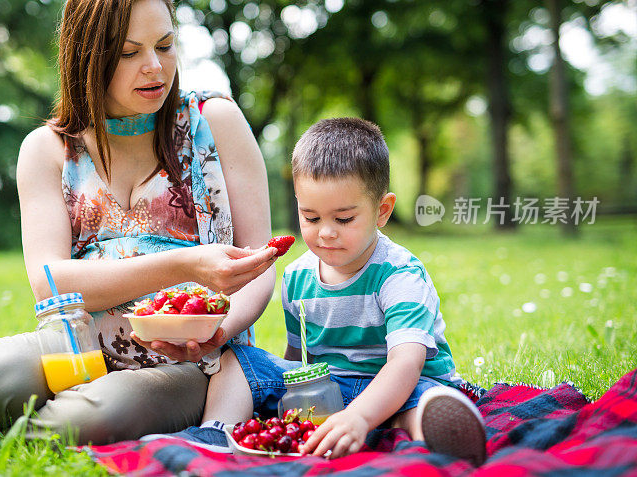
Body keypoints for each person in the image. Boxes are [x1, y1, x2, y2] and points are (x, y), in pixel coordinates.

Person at [0, 0, 278, 445]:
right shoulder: (47, 150)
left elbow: (259, 263)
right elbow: (50, 282)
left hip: (195, 358)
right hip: (77, 344)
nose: (155, 67)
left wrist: (214, 331)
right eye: (128, 52)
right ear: (88, 55)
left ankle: (20, 437)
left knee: (96, 414)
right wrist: (186, 264)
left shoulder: (217, 121)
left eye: (165, 46)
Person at [150, 118, 487, 466]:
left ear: (382, 210)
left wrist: (359, 416)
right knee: (239, 358)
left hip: (402, 385)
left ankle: (436, 430)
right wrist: (287, 397)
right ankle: (217, 432)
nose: (325, 233)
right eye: (311, 218)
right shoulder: (297, 277)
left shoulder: (400, 276)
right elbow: (297, 361)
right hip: (332, 389)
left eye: (343, 219)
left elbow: (406, 363)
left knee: (421, 400)